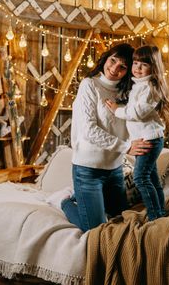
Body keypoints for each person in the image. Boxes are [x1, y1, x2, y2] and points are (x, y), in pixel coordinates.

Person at [61, 43, 151, 232]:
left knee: (122, 225)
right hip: (88, 170)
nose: (114, 68)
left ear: (129, 71)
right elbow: (89, 130)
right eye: (113, 60)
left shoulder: (128, 92)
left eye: (123, 66)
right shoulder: (90, 85)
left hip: (115, 171)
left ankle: (84, 200)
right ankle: (66, 202)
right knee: (96, 230)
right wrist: (126, 147)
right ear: (106, 58)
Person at [106, 45, 169, 221]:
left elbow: (137, 113)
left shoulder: (150, 88)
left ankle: (154, 215)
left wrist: (116, 110)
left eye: (143, 64)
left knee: (141, 178)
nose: (137, 68)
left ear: (153, 67)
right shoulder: (139, 85)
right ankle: (160, 212)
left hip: (149, 139)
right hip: (147, 138)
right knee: (152, 179)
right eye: (135, 63)